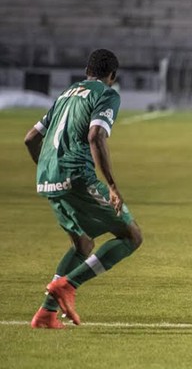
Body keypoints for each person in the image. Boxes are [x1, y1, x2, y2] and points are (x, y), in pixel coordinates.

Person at [24, 49, 143, 328]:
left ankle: (46, 314)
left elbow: (31, 139)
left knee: (83, 243)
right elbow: (96, 136)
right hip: (76, 175)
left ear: (87, 70)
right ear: (112, 76)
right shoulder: (107, 94)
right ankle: (69, 285)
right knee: (131, 236)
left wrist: (48, 171)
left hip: (47, 178)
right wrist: (112, 185)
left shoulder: (65, 94)